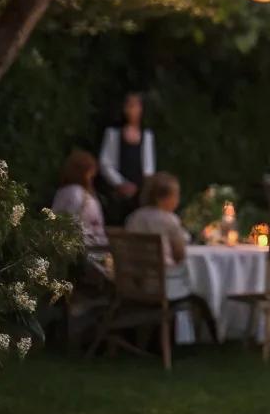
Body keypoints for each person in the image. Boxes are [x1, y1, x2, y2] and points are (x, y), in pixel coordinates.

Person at [126, 173, 191, 295]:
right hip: (164, 283)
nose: (178, 200)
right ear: (165, 198)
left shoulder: (133, 217)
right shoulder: (169, 219)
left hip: (135, 281)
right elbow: (179, 254)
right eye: (176, 195)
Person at [98, 92, 156, 225]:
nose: (131, 110)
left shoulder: (147, 135)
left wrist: (145, 188)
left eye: (135, 106)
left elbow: (149, 167)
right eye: (128, 105)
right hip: (117, 191)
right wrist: (120, 183)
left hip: (139, 192)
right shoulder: (113, 133)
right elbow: (105, 163)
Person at [52, 149, 108, 253]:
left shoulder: (63, 192)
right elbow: (71, 222)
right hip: (85, 248)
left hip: (89, 246)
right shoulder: (76, 193)